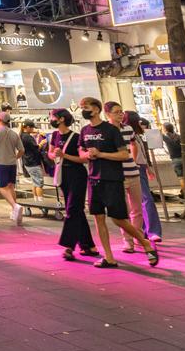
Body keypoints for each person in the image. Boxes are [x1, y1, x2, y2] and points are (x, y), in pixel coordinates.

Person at [79, 96, 158, 269]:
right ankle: (109, 257)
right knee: (98, 218)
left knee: (119, 219)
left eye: (86, 108)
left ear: (97, 110)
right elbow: (81, 152)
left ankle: (144, 242)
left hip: (113, 179)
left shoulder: (111, 130)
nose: (83, 110)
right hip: (94, 180)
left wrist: (101, 154)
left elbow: (124, 154)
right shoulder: (84, 130)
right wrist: (87, 155)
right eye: (82, 108)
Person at [47, 109, 97, 261]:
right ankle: (88, 246)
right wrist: (54, 155)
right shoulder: (54, 135)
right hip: (63, 174)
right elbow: (50, 154)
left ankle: (69, 245)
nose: (52, 119)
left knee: (72, 208)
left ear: (61, 119)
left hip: (77, 174)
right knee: (76, 210)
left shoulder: (76, 137)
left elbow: (84, 159)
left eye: (54, 117)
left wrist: (64, 155)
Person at [102, 103, 146, 252]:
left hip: (132, 172)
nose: (120, 115)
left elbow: (133, 144)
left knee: (137, 208)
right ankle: (128, 241)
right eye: (117, 112)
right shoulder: (105, 130)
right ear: (108, 114)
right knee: (123, 210)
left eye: (121, 112)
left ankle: (138, 238)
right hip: (117, 174)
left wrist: (133, 160)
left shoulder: (128, 129)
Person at [125, 111, 162, 244]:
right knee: (145, 200)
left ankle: (147, 231)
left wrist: (148, 166)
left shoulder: (137, 136)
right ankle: (150, 231)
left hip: (140, 167)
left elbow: (143, 151)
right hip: (135, 168)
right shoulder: (128, 135)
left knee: (142, 201)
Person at [20, 119, 46, 202]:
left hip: (27, 161)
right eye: (32, 128)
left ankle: (36, 200)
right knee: (39, 183)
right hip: (33, 162)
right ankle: (41, 202)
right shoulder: (28, 137)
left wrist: (38, 132)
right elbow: (36, 147)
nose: (33, 130)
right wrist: (42, 143)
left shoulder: (22, 135)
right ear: (28, 127)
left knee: (34, 182)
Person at [161, 122, 183, 193]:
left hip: (175, 159)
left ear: (165, 129)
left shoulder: (165, 137)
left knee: (181, 177)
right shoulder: (178, 136)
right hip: (183, 157)